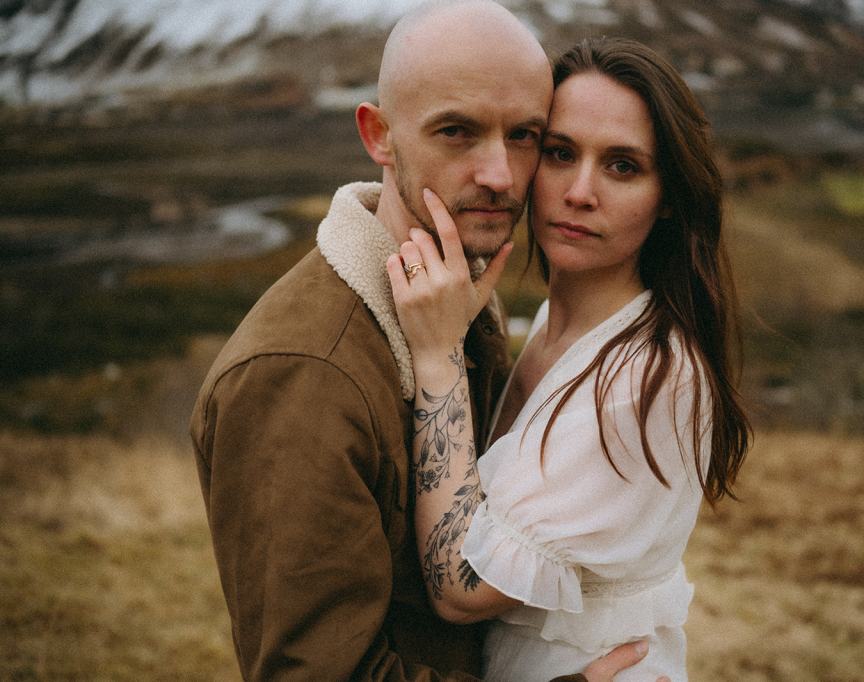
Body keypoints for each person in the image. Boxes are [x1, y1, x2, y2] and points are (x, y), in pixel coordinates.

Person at [190, 2, 653, 679]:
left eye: (525, 136)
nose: (499, 174)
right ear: (379, 136)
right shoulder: (304, 373)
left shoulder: (463, 306)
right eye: (457, 132)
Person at [388, 37, 752, 680]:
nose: (580, 192)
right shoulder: (554, 325)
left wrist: (437, 357)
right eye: (560, 154)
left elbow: (462, 587)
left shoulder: (651, 374)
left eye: (622, 166)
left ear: (667, 194)